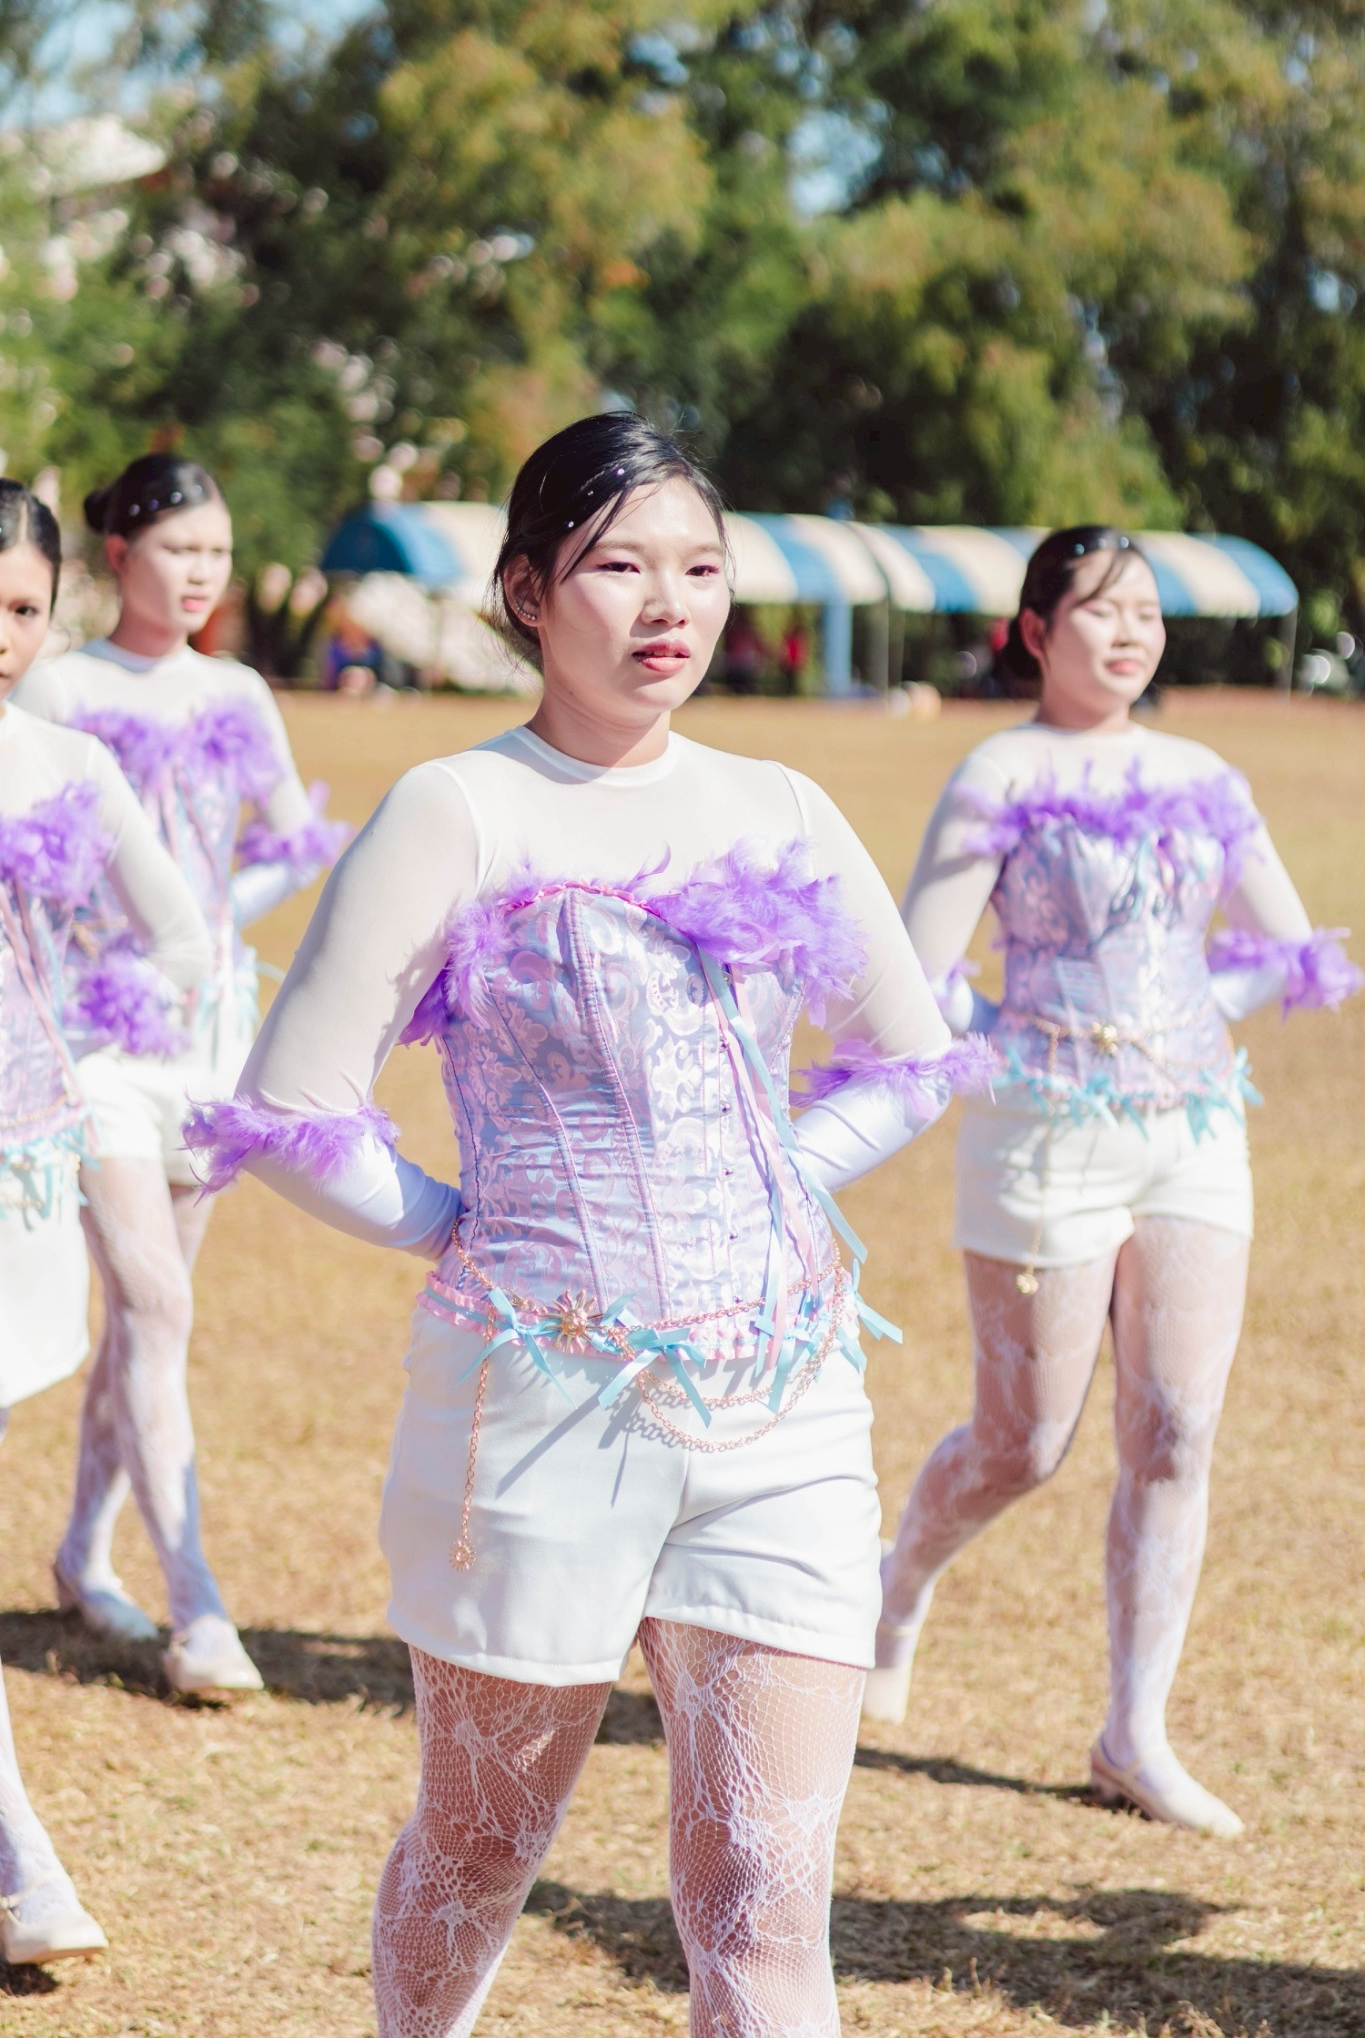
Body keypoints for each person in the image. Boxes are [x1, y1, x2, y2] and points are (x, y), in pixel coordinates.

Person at [184, 412, 992, 2036]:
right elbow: (291, 1107)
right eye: (620, 564)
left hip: (785, 1408)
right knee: (483, 1846)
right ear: (528, 591)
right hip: (536, 1412)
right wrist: (460, 1226)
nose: (667, 603)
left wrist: (778, 1170)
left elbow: (912, 1061)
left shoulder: (778, 801)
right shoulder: (458, 808)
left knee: (764, 1893)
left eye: (700, 565)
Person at [867, 526, 1361, 1837]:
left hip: (1194, 1134)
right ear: (1036, 631)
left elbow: (1291, 947)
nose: (1131, 630)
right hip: (1040, 1137)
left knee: (1177, 1429)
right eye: (1100, 607)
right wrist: (1021, 1036)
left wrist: (1186, 1015)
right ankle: (894, 1588)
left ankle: (1133, 1733)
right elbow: (918, 968)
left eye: (1146, 608)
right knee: (1022, 1444)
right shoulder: (1001, 771)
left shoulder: (1203, 774)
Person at [16, 454, 349, 1695]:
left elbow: (293, 839)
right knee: (154, 1304)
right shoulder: (59, 684)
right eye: (179, 549)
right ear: (118, 555)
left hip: (208, 1039)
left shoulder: (240, 690)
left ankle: (83, 1548)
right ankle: (199, 1604)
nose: (202, 572)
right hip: (92, 1044)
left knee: (150, 1317)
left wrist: (215, 920)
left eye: (217, 551)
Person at [0, 480, 211, 1963]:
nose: (0, 634)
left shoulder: (67, 765)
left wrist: (78, 1035)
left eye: (22, 607)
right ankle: (27, 1862)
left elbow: (180, 932)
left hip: (18, 1165)